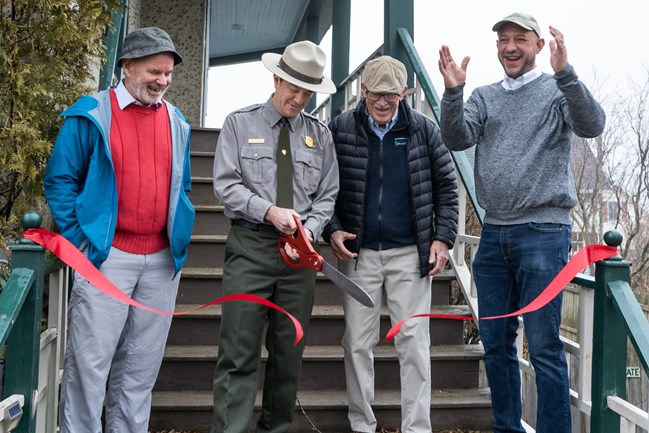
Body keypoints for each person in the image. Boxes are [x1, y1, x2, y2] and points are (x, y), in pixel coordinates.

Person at [438, 12, 606, 433]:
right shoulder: (484, 95)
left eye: (520, 39)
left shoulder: (556, 90)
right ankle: (507, 428)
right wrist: (454, 93)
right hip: (493, 234)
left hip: (543, 233)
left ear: (538, 46)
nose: (510, 47)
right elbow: (456, 139)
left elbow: (593, 124)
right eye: (503, 40)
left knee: (545, 345)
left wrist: (565, 73)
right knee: (496, 343)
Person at [43, 27, 194, 433]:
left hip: (162, 262)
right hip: (106, 258)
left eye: (168, 74)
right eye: (154, 71)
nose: (162, 81)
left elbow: (183, 185)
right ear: (126, 67)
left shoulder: (177, 121)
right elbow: (60, 181)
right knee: (89, 366)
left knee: (140, 371)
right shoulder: (90, 113)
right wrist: (80, 242)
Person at [322, 55, 459, 433]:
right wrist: (332, 229)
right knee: (356, 343)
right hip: (358, 253)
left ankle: (417, 427)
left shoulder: (425, 130)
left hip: (409, 254)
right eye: (375, 95)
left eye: (391, 96)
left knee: (413, 344)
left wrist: (442, 239)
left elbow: (448, 189)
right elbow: (324, 189)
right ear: (362, 91)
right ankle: (362, 424)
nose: (382, 103)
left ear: (404, 93)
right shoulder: (340, 128)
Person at [211, 40, 338, 433]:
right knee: (238, 351)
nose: (299, 98)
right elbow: (225, 185)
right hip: (250, 247)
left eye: (307, 92)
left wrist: (310, 230)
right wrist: (267, 210)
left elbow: (327, 194)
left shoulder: (321, 135)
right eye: (293, 88)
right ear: (276, 78)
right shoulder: (239, 123)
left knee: (289, 353)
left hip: (298, 258)